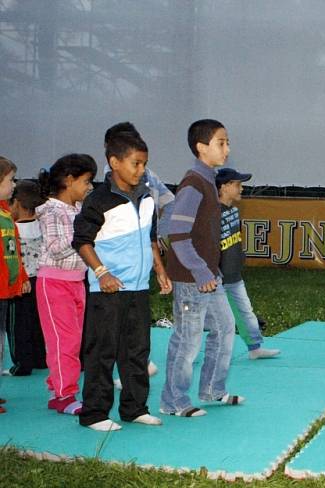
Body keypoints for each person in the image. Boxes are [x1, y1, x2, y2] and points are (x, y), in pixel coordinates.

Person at [73, 130, 172, 431]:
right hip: (108, 292)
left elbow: (150, 238)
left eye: (144, 164)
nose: (141, 170)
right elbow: (81, 241)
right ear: (114, 162)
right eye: (136, 163)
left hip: (139, 289)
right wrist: (102, 273)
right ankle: (94, 413)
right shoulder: (98, 201)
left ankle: (134, 408)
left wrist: (160, 269)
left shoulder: (146, 198)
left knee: (137, 350)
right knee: (102, 351)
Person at [160, 119, 244, 417]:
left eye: (227, 142)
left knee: (224, 328)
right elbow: (177, 235)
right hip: (192, 278)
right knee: (188, 338)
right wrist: (200, 271)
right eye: (221, 142)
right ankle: (173, 401)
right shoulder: (194, 183)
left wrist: (211, 271)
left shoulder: (209, 179)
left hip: (210, 277)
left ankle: (212, 389)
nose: (227, 148)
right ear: (201, 147)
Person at [36, 154, 98, 416]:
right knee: (65, 341)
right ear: (69, 180)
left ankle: (58, 383)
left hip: (76, 283)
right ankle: (63, 395)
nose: (89, 188)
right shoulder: (51, 210)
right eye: (86, 181)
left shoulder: (77, 210)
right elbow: (55, 247)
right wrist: (83, 236)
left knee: (73, 340)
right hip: (54, 283)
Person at [216, 168, 280, 360]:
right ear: (224, 187)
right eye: (237, 185)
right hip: (217, 278)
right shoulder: (211, 212)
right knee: (210, 319)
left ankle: (254, 347)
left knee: (246, 312)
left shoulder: (233, 211)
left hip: (234, 275)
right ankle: (188, 354)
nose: (241, 188)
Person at [6, 180, 47, 376]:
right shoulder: (41, 226)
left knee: (17, 325)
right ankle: (40, 358)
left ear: (17, 204)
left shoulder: (12, 228)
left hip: (20, 283)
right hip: (40, 279)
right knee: (38, 322)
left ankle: (22, 363)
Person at [0, 156, 30, 413]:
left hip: (6, 290)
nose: (13, 185)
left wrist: (20, 278)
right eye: (10, 180)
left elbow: (14, 250)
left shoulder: (6, 212)